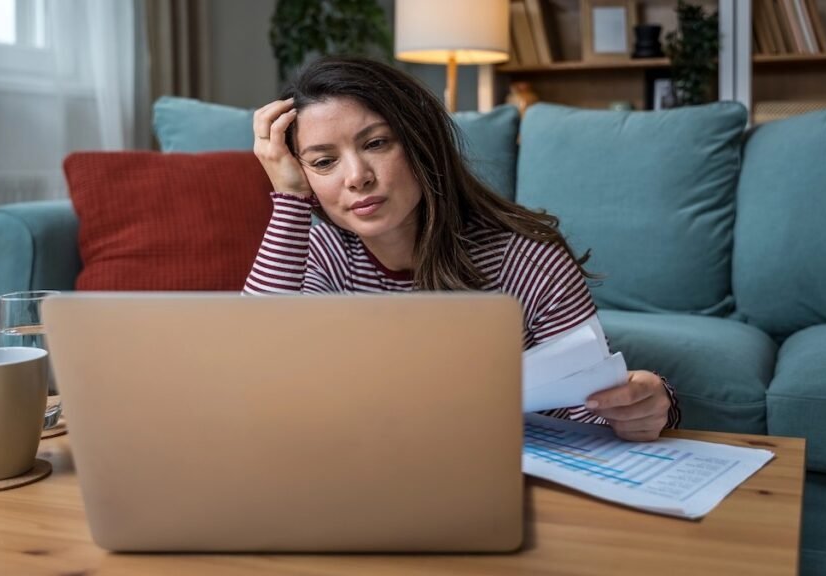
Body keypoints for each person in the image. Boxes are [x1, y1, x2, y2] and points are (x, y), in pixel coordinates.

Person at [245, 56, 680, 441]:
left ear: (420, 143)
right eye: (324, 162)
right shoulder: (318, 254)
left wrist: (648, 406)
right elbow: (251, 376)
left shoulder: (526, 258)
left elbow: (593, 414)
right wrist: (289, 199)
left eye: (376, 143)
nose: (357, 176)